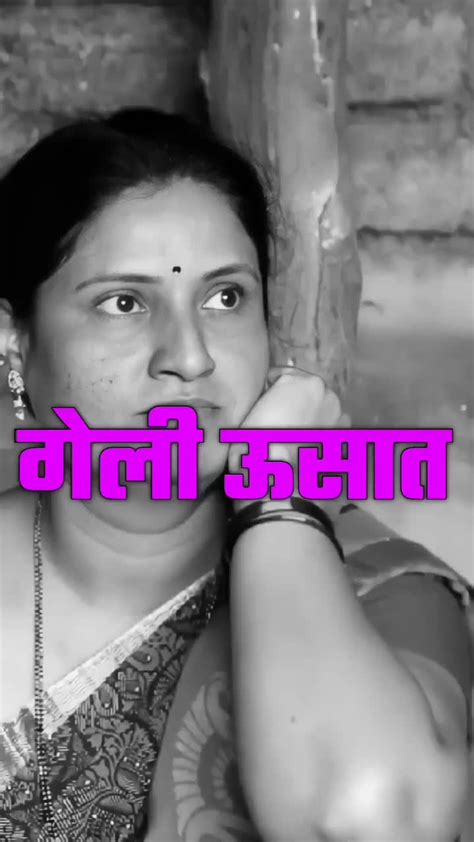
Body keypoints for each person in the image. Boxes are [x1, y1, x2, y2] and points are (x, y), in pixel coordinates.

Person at [0, 108, 471, 842]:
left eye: (225, 298)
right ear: (13, 342)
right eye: (124, 303)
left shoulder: (382, 592)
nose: (190, 357)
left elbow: (369, 821)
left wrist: (276, 489)